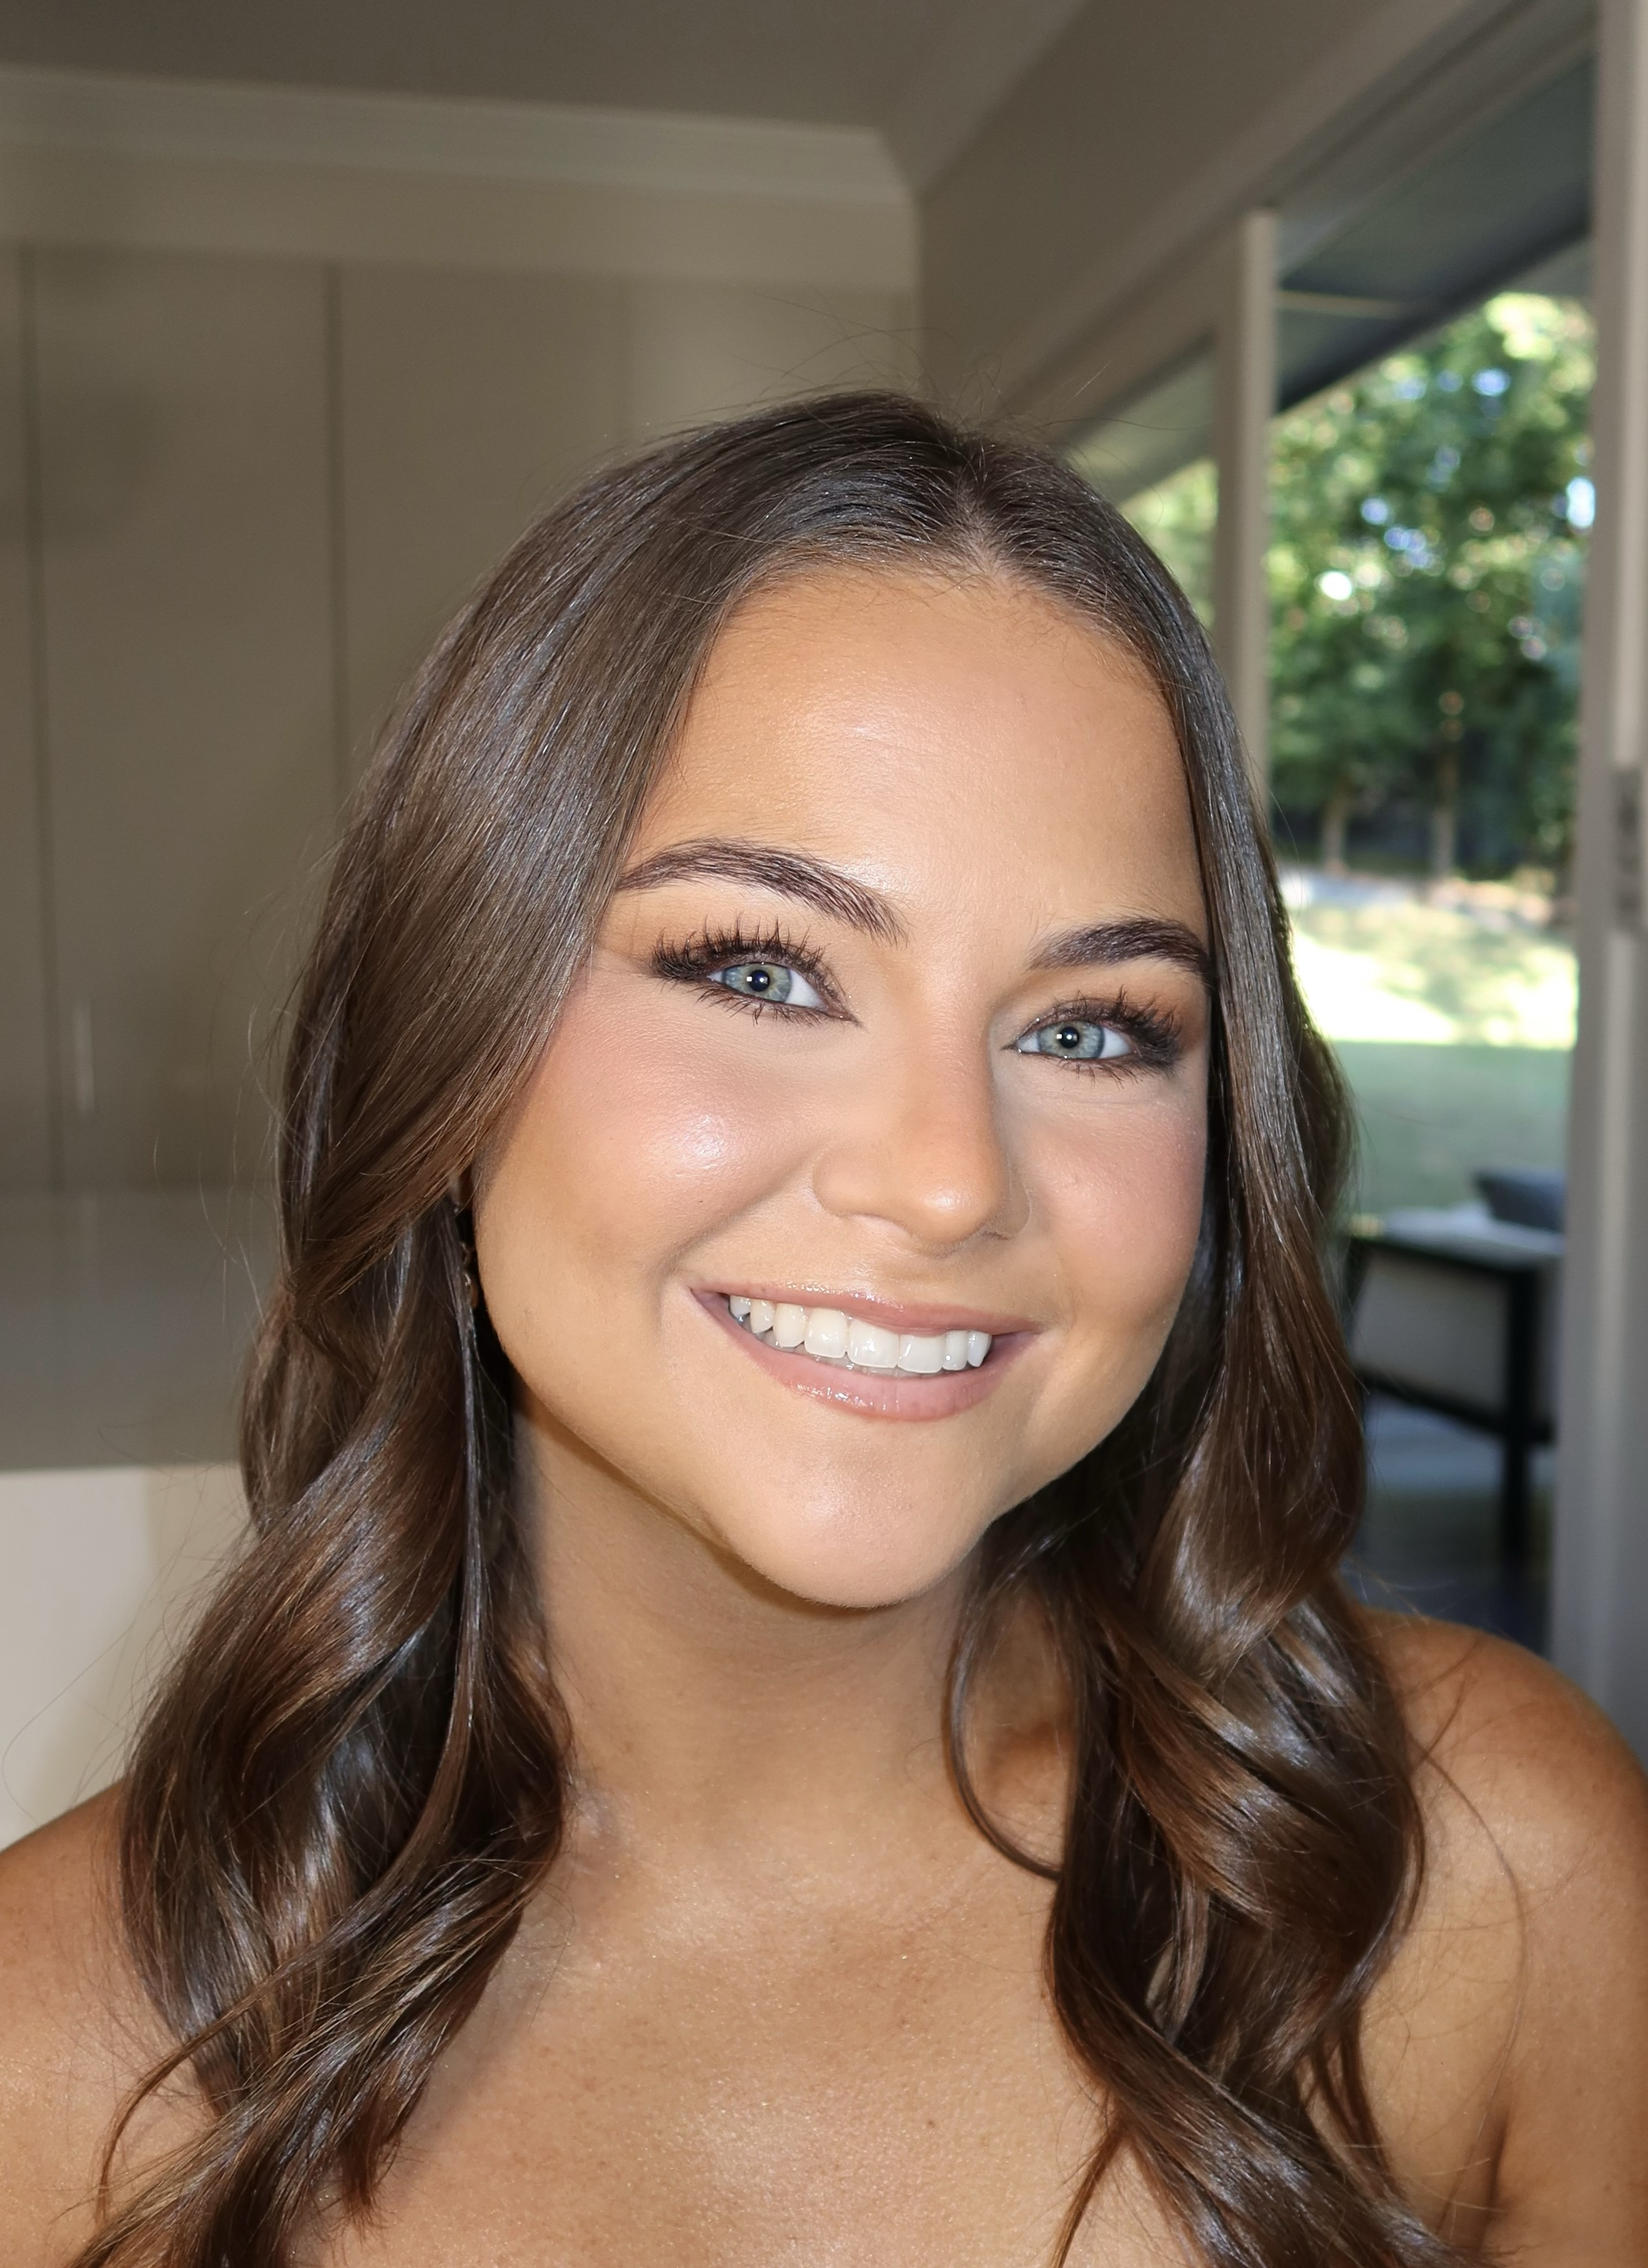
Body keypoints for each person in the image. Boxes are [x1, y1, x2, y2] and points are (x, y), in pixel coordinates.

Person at [1, 394, 1644, 2268]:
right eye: (761, 971)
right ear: (444, 1046)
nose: (948, 1182)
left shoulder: (1484, 1874)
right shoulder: (55, 2073)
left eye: (1091, 1024)